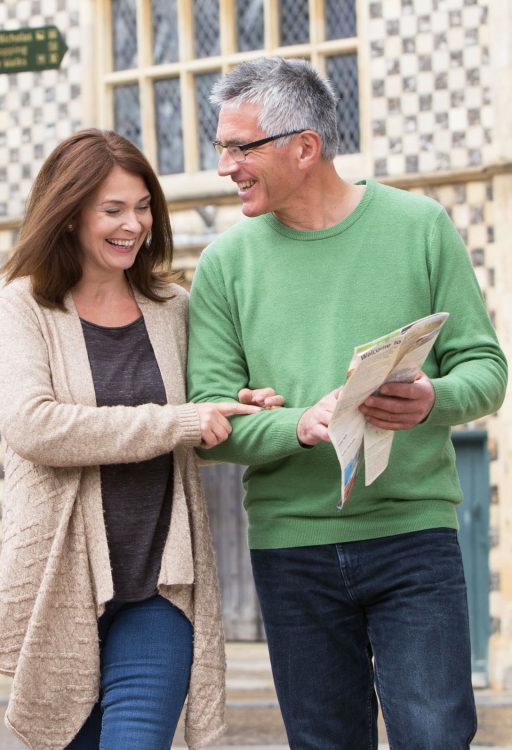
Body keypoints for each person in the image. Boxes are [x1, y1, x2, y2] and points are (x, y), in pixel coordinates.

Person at [187, 57, 508, 749]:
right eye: (222, 148)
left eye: (240, 148)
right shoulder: (222, 266)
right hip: (291, 548)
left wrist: (430, 401)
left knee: (435, 738)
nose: (225, 166)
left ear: (304, 147)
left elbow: (486, 370)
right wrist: (295, 425)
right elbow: (207, 418)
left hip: (412, 538)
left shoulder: (420, 226)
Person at [0, 129, 272, 750]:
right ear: (68, 212)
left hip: (160, 582)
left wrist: (241, 405)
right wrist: (178, 421)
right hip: (63, 584)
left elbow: (205, 399)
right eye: (112, 210)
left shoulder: (172, 307)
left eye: (142, 208)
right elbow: (36, 427)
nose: (132, 225)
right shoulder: (20, 308)